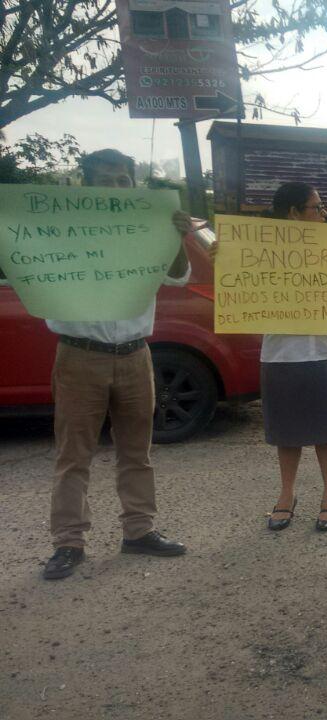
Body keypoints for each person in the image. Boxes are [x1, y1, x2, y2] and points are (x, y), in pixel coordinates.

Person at [2, 149, 194, 580]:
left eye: (124, 180)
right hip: (80, 354)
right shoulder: (62, 229)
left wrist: (177, 237)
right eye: (106, 180)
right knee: (74, 455)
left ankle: (139, 530)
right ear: (86, 185)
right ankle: (68, 542)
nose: (116, 187)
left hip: (135, 354)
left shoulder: (145, 227)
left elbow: (177, 274)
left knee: (137, 451)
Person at [253, 182, 327, 532]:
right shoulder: (257, 251)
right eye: (317, 207)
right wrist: (223, 260)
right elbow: (242, 290)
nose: (324, 214)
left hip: (326, 349)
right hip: (281, 353)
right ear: (294, 213)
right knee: (287, 432)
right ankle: (286, 494)